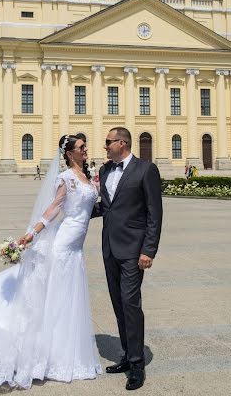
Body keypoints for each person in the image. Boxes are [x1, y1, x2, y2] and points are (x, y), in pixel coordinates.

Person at [0, 135, 101, 389]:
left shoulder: (87, 176)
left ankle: (63, 351)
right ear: (69, 153)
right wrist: (32, 233)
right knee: (57, 297)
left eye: (85, 147)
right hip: (64, 244)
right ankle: (48, 354)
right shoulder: (66, 178)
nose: (86, 150)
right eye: (81, 148)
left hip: (76, 247)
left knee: (68, 299)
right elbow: (54, 208)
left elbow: (90, 206)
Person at [92, 127, 163, 390]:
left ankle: (136, 364)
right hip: (109, 248)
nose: (105, 146)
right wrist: (75, 211)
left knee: (131, 304)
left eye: (108, 142)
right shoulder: (105, 170)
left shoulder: (146, 170)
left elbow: (154, 214)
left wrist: (149, 250)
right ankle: (126, 353)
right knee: (118, 304)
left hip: (134, 251)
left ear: (122, 143)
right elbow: (106, 207)